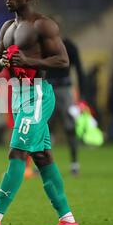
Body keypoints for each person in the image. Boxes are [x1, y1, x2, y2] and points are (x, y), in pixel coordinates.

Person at [0, 0, 81, 225]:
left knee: (17, 151)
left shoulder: (43, 25)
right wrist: (3, 64)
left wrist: (29, 60)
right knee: (42, 158)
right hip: (18, 95)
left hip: (37, 94)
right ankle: (68, 221)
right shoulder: (7, 27)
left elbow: (63, 61)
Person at [47, 16, 86, 176]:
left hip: (65, 89)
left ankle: (74, 163)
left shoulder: (68, 46)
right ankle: (44, 165)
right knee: (45, 129)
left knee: (70, 127)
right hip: (47, 89)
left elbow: (80, 71)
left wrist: (82, 95)